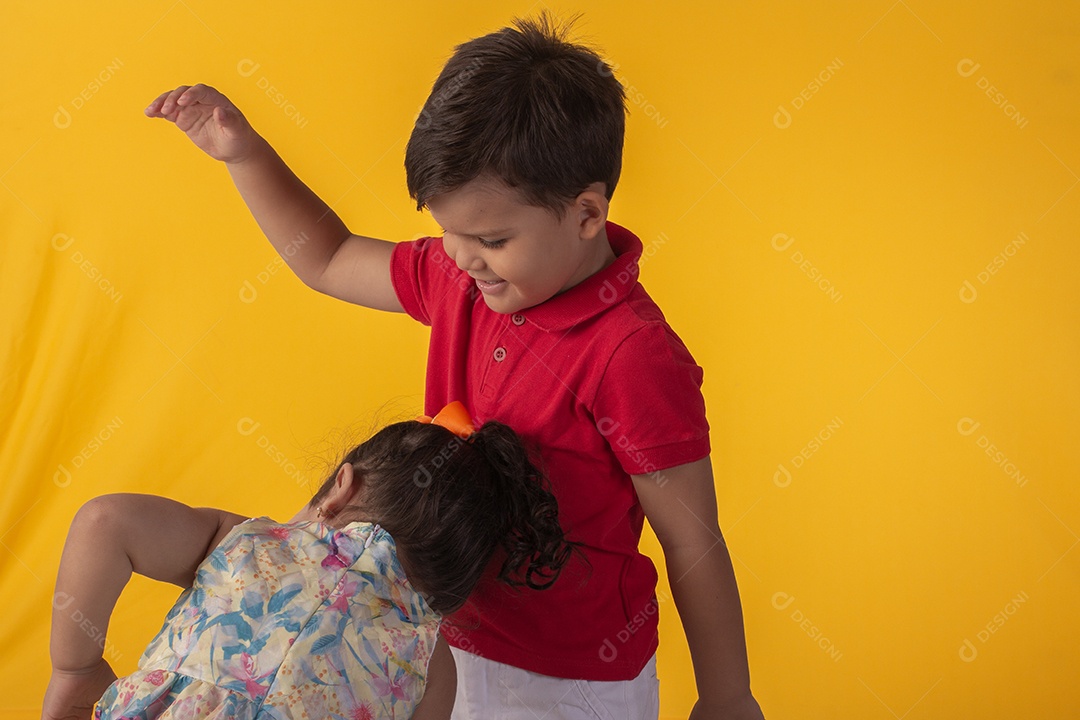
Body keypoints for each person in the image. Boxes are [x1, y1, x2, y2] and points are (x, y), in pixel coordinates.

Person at [143, 12, 765, 720]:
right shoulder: (463, 279)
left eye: (492, 238)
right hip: (428, 644)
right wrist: (244, 154)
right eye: (450, 233)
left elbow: (691, 536)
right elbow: (328, 258)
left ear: (587, 214)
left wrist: (728, 696)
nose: (465, 258)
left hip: (574, 680)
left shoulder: (632, 354)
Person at [42, 403, 573, 720]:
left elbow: (103, 522)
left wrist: (78, 667)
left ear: (341, 487)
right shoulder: (430, 661)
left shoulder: (243, 540)